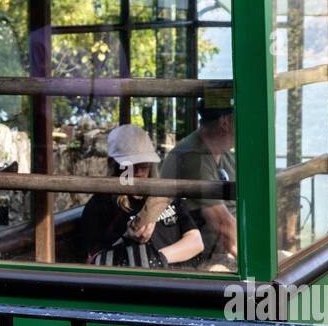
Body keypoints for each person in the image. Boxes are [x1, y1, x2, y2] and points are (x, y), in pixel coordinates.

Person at [76, 124, 203, 269]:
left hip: (179, 275)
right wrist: (126, 239)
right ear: (115, 164)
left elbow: (195, 241)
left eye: (144, 165)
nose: (138, 171)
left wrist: (157, 258)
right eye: (130, 164)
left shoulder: (165, 195)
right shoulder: (101, 204)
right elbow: (93, 260)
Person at [160, 90, 236, 269]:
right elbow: (223, 226)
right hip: (199, 259)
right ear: (225, 122)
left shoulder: (225, 155)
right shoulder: (193, 157)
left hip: (220, 249)